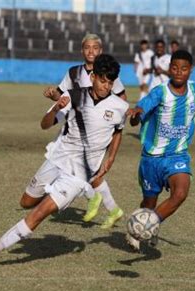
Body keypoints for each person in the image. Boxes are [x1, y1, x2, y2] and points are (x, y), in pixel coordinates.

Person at [0, 54, 129, 270]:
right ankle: (57, 191)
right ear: (93, 77)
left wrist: (110, 159)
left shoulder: (119, 107)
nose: (106, 86)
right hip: (57, 160)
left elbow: (118, 131)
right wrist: (56, 108)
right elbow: (44, 125)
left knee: (38, 214)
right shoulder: (72, 97)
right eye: (103, 80)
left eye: (110, 82)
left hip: (78, 176)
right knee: (26, 202)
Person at [126, 50, 195, 250]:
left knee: (180, 193)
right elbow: (139, 112)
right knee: (149, 202)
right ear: (169, 68)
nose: (179, 72)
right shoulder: (159, 92)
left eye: (184, 68)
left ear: (190, 70)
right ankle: (143, 224)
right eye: (174, 68)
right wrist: (136, 113)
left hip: (177, 155)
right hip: (152, 158)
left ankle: (148, 225)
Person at [39, 34, 126, 227]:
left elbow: (121, 100)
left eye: (95, 48)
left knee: (83, 170)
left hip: (96, 131)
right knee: (84, 171)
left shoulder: (109, 72)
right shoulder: (73, 73)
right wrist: (53, 95)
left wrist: (113, 120)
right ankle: (111, 208)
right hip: (72, 129)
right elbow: (63, 98)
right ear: (82, 50)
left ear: (100, 50)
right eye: (87, 47)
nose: (91, 51)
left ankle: (92, 196)